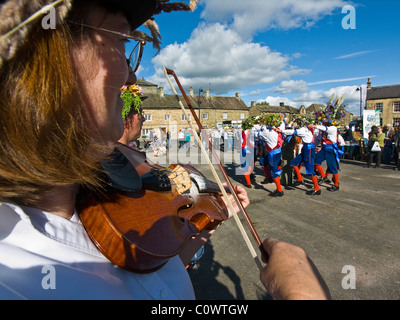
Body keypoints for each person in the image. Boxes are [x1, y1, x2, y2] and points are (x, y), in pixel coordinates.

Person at [0, 0, 329, 301]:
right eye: (120, 41)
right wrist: (302, 294)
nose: (132, 75)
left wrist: (197, 223)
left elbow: (146, 276)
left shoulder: (90, 192)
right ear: (44, 61)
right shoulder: (14, 280)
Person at [283, 118, 321, 196]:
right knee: (293, 162)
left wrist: (281, 131)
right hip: (305, 149)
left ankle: (317, 189)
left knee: (310, 169)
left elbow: (293, 131)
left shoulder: (303, 130)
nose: (297, 124)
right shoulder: (307, 129)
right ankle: (300, 179)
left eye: (298, 123)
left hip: (309, 150)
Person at [259, 115, 285, 197]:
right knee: (263, 161)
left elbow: (257, 134)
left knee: (274, 172)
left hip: (273, 154)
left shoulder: (266, 133)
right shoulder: (278, 130)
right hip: (277, 152)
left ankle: (279, 190)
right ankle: (268, 177)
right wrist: (282, 120)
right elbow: (283, 124)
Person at [314, 120, 342, 191]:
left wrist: (315, 126)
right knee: (316, 162)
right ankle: (324, 177)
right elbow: (319, 138)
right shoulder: (323, 130)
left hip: (330, 150)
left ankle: (336, 185)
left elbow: (326, 129)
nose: (323, 123)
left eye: (324, 121)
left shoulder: (333, 128)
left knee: (332, 168)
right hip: (324, 149)